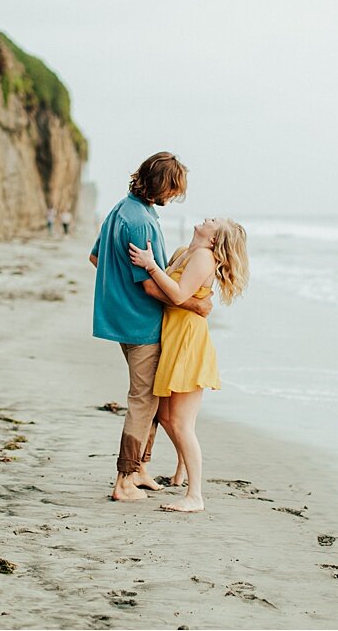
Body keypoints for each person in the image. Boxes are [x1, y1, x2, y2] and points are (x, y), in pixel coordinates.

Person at [89, 152, 212, 501]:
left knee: (154, 397)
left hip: (122, 317)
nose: (174, 196)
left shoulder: (121, 209)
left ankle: (141, 468)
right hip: (141, 321)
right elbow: (148, 284)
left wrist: (116, 290)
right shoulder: (141, 222)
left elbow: (96, 257)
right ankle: (124, 480)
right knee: (143, 400)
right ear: (160, 184)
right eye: (173, 189)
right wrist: (195, 304)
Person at [128, 218, 249, 512]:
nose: (209, 218)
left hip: (188, 341)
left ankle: (195, 496)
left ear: (213, 239)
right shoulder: (185, 250)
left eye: (215, 222)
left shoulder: (204, 257)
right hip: (174, 336)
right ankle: (183, 468)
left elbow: (179, 294)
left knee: (181, 422)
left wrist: (150, 265)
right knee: (169, 418)